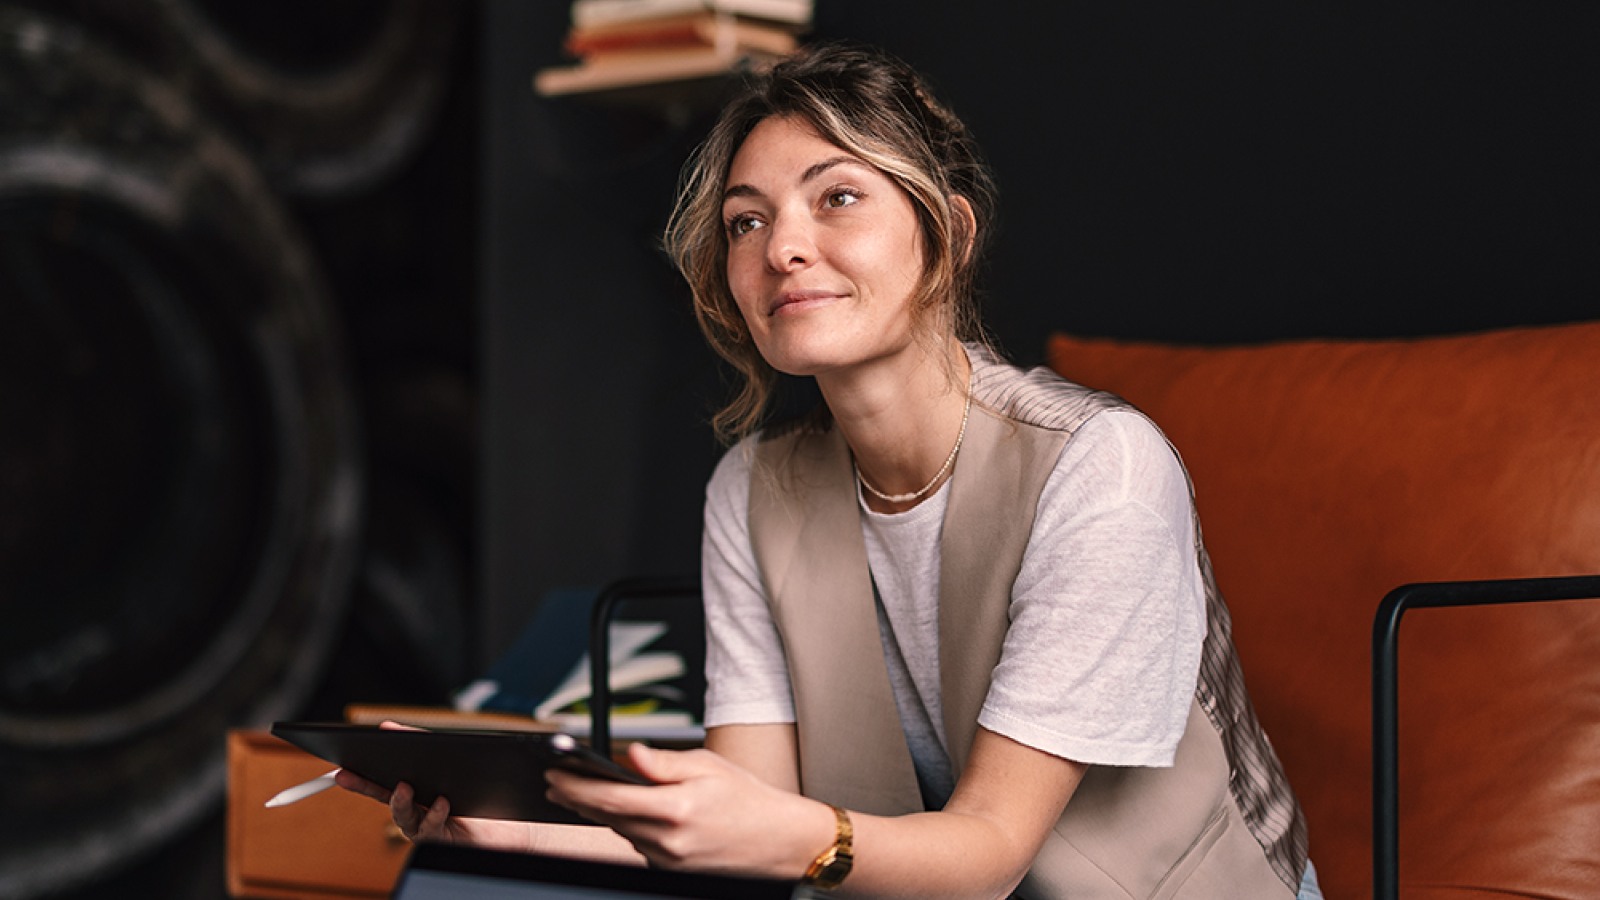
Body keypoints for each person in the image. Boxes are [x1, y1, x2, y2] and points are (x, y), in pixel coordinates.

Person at [339, 43, 1321, 900]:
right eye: (745, 221)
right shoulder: (753, 492)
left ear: (949, 236)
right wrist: (504, 827)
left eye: (837, 197)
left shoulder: (1101, 468)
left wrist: (800, 839)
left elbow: (988, 857)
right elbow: (747, 826)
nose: (783, 248)